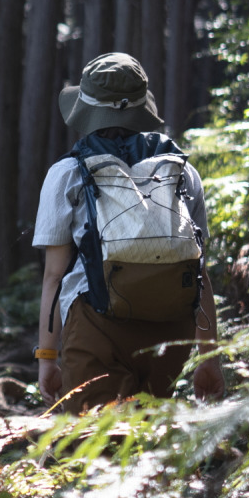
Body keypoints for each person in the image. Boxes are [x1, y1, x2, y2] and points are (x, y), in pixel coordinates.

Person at [30, 53, 224, 411]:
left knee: (101, 449)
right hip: (170, 332)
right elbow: (199, 271)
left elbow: (54, 277)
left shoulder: (68, 173)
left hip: (95, 326)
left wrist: (47, 357)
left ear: (87, 110)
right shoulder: (181, 171)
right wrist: (208, 358)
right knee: (146, 450)